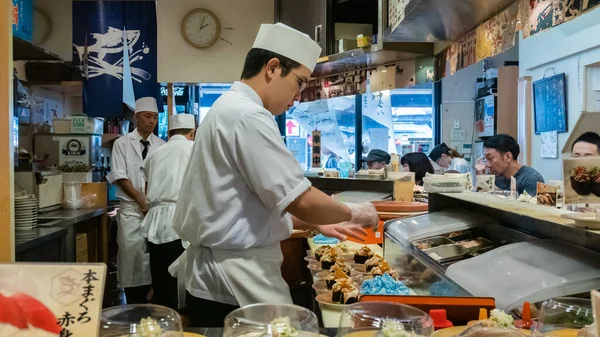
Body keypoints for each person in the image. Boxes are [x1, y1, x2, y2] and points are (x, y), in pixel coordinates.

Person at [171, 23, 378, 326]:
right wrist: (355, 213)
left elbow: (245, 207)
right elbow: (300, 199)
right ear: (272, 68)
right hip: (235, 276)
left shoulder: (228, 108)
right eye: (299, 82)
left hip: (227, 270)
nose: (298, 96)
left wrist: (321, 221)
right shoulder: (248, 115)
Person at [107, 97, 165, 304]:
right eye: (148, 116)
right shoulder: (122, 144)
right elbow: (120, 176)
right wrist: (141, 200)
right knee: (131, 255)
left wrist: (149, 202)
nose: (152, 121)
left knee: (154, 258)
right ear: (136, 117)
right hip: (132, 210)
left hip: (154, 210)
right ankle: (132, 303)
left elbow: (160, 176)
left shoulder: (161, 146)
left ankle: (152, 302)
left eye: (156, 117)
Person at [140, 114, 196, 310]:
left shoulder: (155, 153)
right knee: (182, 284)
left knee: (161, 281)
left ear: (169, 132)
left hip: (154, 223)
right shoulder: (194, 148)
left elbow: (146, 188)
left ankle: (160, 325)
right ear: (192, 132)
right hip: (181, 221)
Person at [476, 134, 544, 196]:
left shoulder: (530, 179)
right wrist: (482, 181)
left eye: (490, 158)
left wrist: (488, 186)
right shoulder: (497, 178)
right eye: (485, 159)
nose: (487, 165)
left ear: (508, 157)